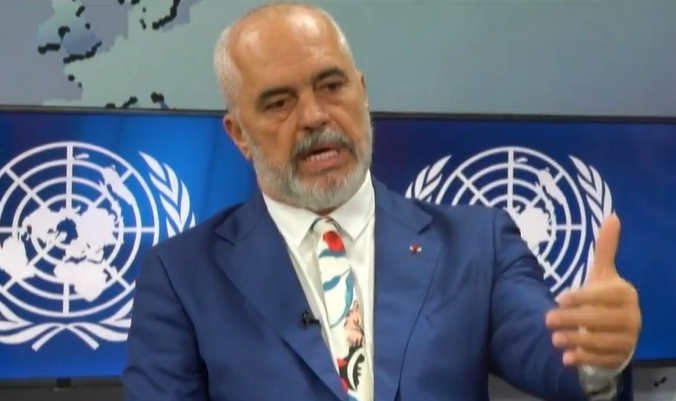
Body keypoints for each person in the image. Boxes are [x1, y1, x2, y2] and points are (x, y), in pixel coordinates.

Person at [121, 3, 641, 401]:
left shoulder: (476, 244)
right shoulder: (181, 276)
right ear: (239, 135)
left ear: (363, 93)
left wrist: (598, 353)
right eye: (279, 103)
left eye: (331, 86)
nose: (314, 116)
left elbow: (551, 354)